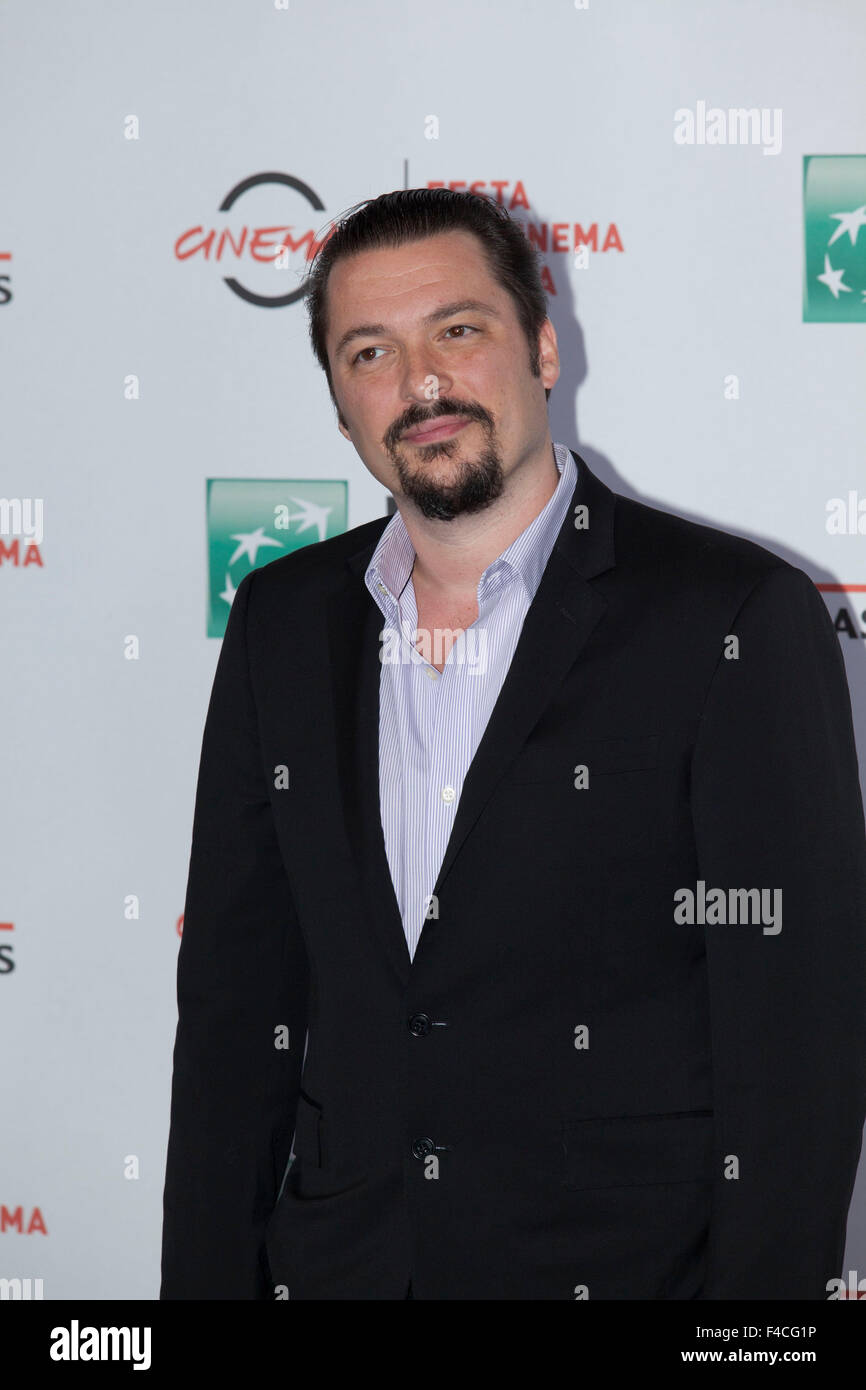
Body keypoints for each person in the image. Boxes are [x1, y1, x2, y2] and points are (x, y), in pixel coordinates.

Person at [160, 187, 866, 1300]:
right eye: (369, 352)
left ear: (541, 346)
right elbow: (236, 1017)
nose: (421, 383)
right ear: (341, 407)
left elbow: (797, 1051)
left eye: (457, 329)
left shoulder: (730, 617)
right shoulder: (279, 624)